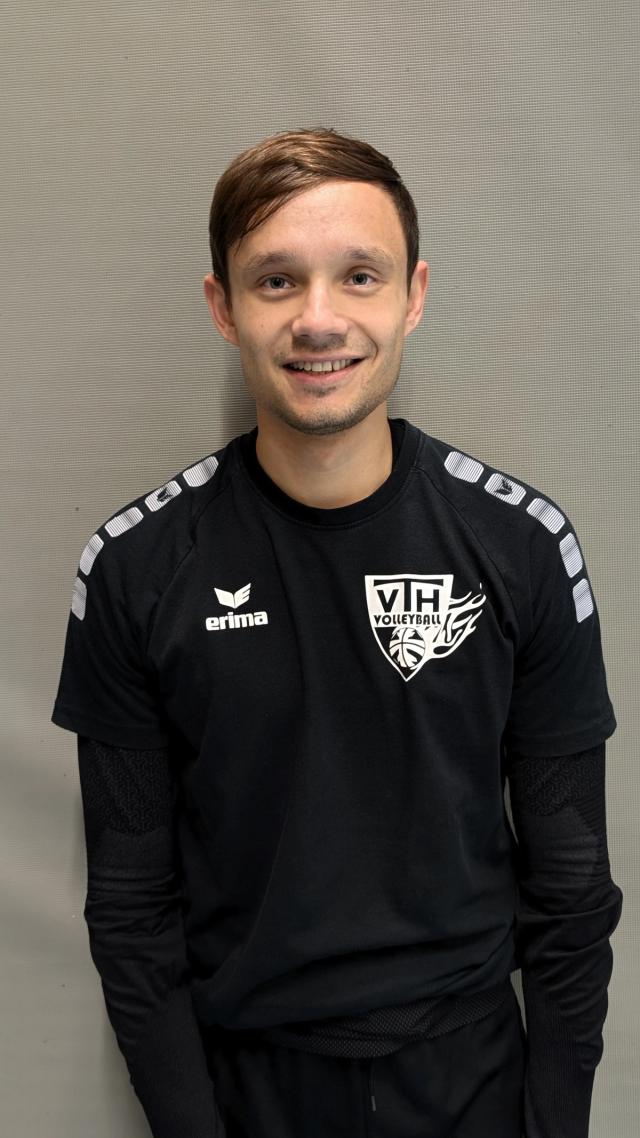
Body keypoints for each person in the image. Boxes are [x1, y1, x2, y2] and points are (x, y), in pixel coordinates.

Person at [52, 127, 622, 1138]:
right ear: (223, 306)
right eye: (276, 281)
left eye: (359, 276)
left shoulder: (524, 548)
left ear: (413, 295)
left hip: (471, 1080)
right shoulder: (137, 568)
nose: (320, 319)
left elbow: (572, 886)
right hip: (247, 1088)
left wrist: (558, 1123)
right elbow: (131, 909)